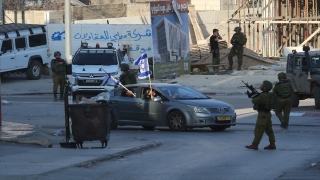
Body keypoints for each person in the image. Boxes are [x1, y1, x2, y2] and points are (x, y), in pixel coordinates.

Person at [245, 80, 276, 150]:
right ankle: (272, 143)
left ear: (265, 87)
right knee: (269, 130)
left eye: (262, 85)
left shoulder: (263, 95)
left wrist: (255, 95)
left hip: (262, 114)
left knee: (258, 129)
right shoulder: (269, 94)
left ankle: (255, 144)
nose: (261, 85)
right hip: (267, 114)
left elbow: (254, 101)